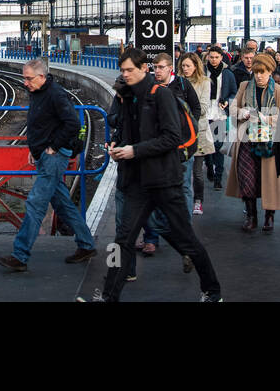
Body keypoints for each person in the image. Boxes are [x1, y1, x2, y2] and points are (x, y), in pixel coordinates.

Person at [85, 48, 222, 303]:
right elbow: (125, 133)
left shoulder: (161, 96)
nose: (125, 75)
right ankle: (108, 296)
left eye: (130, 70)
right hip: (137, 181)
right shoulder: (127, 97)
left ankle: (213, 291)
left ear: (143, 69)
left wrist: (134, 150)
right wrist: (117, 146)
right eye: (122, 70)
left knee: (186, 238)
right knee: (123, 239)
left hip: (164, 180)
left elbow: (172, 138)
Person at [0, 58, 96, 271]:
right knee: (62, 204)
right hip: (43, 155)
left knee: (35, 202)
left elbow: (73, 123)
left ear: (42, 76)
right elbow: (39, 125)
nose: (25, 82)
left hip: (54, 157)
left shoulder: (56, 95)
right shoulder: (38, 92)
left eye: (29, 78)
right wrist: (35, 150)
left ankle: (20, 255)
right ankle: (87, 245)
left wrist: (54, 147)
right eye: (25, 78)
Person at [139, 53, 201, 261]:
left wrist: (186, 132)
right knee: (152, 192)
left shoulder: (182, 85)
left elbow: (196, 109)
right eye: (154, 67)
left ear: (170, 68)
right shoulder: (150, 88)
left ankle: (185, 236)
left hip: (182, 148)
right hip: (158, 148)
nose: (157, 71)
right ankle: (151, 238)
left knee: (183, 189)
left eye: (161, 67)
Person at [224, 53, 280, 232]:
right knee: (246, 178)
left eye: (263, 72)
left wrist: (267, 119)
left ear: (270, 72)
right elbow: (233, 108)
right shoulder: (244, 86)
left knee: (269, 181)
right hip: (246, 139)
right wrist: (243, 113)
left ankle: (269, 216)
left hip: (269, 142)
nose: (259, 76)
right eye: (256, 72)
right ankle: (251, 216)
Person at [180, 52, 215, 216]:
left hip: (198, 131)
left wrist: (183, 110)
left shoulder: (205, 83)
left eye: (188, 66)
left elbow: (203, 107)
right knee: (182, 169)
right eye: (183, 65)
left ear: (196, 66)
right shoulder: (178, 82)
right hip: (181, 131)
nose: (185, 69)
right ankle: (184, 200)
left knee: (197, 171)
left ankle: (198, 201)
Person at [203, 46, 236, 191]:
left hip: (219, 113)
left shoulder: (227, 73)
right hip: (205, 113)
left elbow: (234, 91)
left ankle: (218, 177)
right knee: (206, 146)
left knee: (218, 146)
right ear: (208, 57)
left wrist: (228, 100)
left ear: (221, 58)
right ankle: (209, 167)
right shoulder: (203, 71)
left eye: (217, 57)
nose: (214, 60)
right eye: (211, 57)